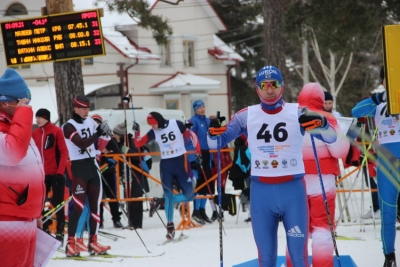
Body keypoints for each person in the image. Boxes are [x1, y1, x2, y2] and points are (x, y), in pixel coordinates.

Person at [206, 66, 337, 267]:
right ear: (256, 88)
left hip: (292, 191)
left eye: (274, 84)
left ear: (282, 86)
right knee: (266, 258)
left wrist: (322, 124)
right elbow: (215, 143)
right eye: (264, 85)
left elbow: (331, 138)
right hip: (261, 194)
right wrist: (212, 132)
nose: (269, 90)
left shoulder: (299, 111)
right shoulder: (245, 115)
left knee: (298, 257)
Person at [285, 82, 350, 267]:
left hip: (295, 178)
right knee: (322, 226)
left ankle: (294, 263)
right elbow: (340, 149)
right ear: (321, 99)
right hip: (322, 179)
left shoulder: (290, 117)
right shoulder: (327, 118)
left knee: (296, 226)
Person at [351, 66, 398, 267]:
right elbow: (355, 111)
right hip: (387, 165)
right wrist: (378, 99)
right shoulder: (378, 105)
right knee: (388, 213)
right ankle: (390, 257)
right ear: (383, 81)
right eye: (389, 78)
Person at [0, 68, 46, 267]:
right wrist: (24, 114)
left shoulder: (18, 127)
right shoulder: (10, 129)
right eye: (22, 103)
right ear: (4, 102)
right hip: (6, 219)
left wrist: (35, 212)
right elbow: (13, 153)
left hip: (24, 217)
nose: (27, 108)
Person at [132, 111, 197, 240]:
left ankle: (160, 202)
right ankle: (170, 227)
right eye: (151, 125)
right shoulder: (153, 132)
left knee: (190, 195)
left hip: (181, 163)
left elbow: (192, 136)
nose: (153, 127)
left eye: (154, 124)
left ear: (159, 121)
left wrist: (197, 152)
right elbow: (138, 143)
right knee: (168, 194)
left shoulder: (175, 124)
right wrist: (136, 132)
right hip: (166, 165)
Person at [62, 94, 112, 256]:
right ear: (75, 108)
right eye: (83, 109)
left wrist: (105, 132)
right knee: (78, 207)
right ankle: (71, 244)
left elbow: (99, 143)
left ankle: (93, 242)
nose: (86, 112)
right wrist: (98, 134)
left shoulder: (90, 121)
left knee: (96, 207)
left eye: (88, 109)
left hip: (92, 166)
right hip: (79, 167)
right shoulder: (68, 126)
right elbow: (81, 143)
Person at [32, 108, 69, 245]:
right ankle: (43, 230)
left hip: (55, 174)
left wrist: (60, 172)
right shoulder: (35, 133)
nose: (37, 120)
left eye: (39, 118)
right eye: (36, 118)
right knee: (39, 204)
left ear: (46, 118)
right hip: (41, 175)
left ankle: (59, 233)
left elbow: (63, 152)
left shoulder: (56, 131)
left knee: (57, 203)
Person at [113, 122, 151, 229]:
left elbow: (136, 156)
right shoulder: (119, 143)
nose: (114, 135)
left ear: (120, 135)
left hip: (137, 174)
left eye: (115, 133)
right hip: (127, 175)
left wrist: (126, 150)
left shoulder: (130, 142)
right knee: (129, 198)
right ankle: (131, 222)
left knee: (135, 200)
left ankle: (136, 224)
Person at [91, 115, 124, 229]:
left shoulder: (108, 136)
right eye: (94, 122)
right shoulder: (91, 136)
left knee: (112, 195)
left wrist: (107, 153)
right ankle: (99, 221)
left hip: (108, 169)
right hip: (96, 170)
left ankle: (116, 219)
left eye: (98, 122)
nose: (96, 125)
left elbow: (117, 151)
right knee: (98, 197)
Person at [189, 100, 215, 224]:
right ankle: (196, 210)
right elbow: (189, 140)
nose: (202, 109)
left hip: (207, 153)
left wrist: (213, 159)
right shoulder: (193, 121)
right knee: (199, 182)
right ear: (195, 109)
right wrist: (192, 159)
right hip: (197, 153)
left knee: (207, 182)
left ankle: (203, 210)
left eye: (203, 107)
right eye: (199, 107)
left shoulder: (207, 120)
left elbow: (212, 138)